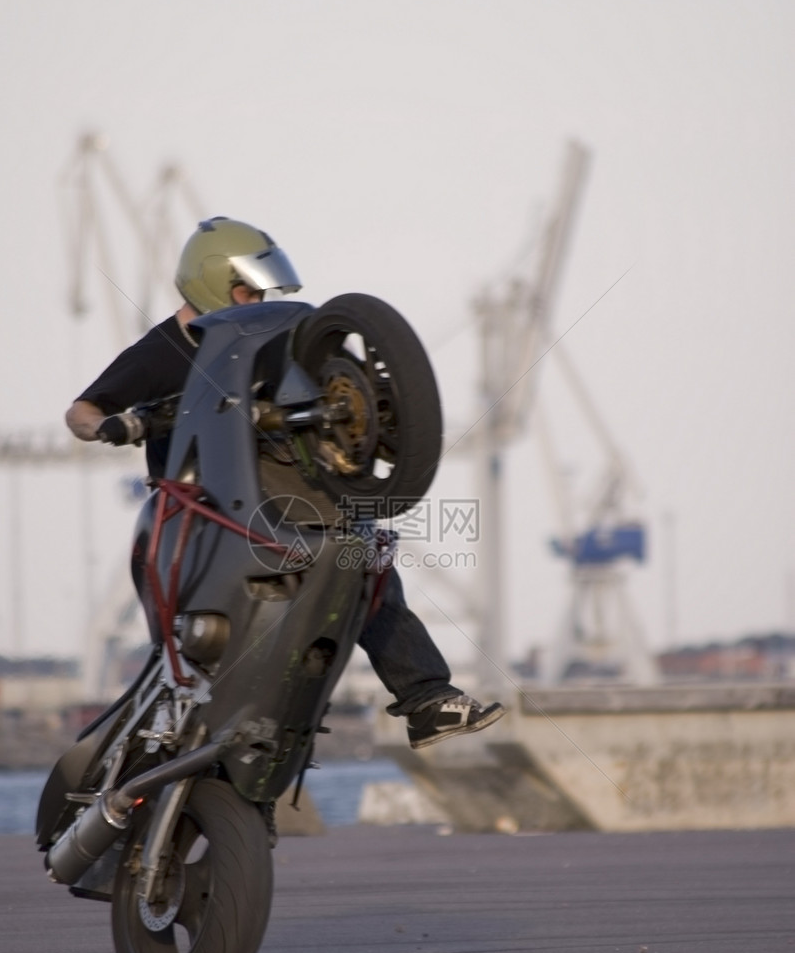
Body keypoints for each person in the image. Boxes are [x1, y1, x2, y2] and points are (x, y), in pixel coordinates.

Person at [66, 217, 505, 750]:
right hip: (196, 511)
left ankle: (427, 700)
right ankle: (162, 727)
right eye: (248, 287)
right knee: (181, 639)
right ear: (213, 281)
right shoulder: (161, 352)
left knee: (362, 554)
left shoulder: (277, 339)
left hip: (273, 497)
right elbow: (82, 410)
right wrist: (109, 426)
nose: (259, 298)